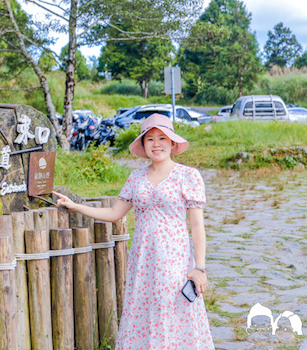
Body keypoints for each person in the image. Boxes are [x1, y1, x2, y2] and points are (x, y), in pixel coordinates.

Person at [53, 113, 215, 349]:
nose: (156, 144)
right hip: (143, 260)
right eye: (150, 139)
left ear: (172, 142)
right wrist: (74, 205)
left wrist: (199, 268)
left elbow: (197, 225)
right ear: (143, 144)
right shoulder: (136, 177)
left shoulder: (187, 175)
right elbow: (114, 213)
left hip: (175, 260)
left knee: (172, 309)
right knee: (143, 310)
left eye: (162, 138)